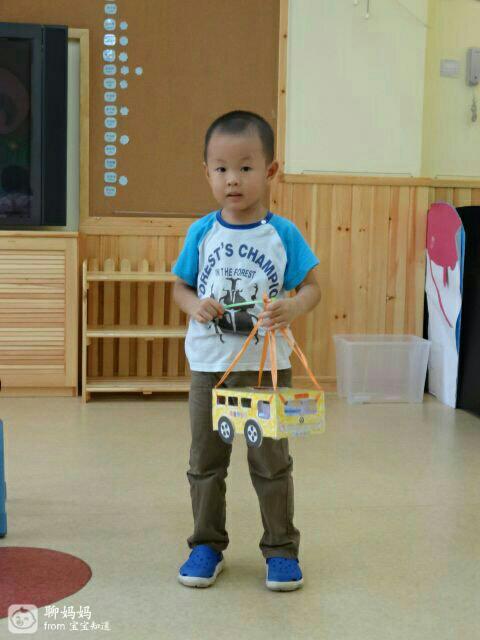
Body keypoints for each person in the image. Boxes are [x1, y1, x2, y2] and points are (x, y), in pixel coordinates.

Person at [172, 110, 321, 591]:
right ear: (207, 172)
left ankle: (281, 549)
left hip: (267, 370)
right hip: (209, 369)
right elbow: (180, 287)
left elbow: (313, 287)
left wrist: (293, 306)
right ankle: (206, 545)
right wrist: (194, 305)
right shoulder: (202, 232)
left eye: (245, 167)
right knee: (205, 462)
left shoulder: (283, 233)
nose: (232, 179)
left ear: (270, 170)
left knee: (271, 463)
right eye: (221, 169)